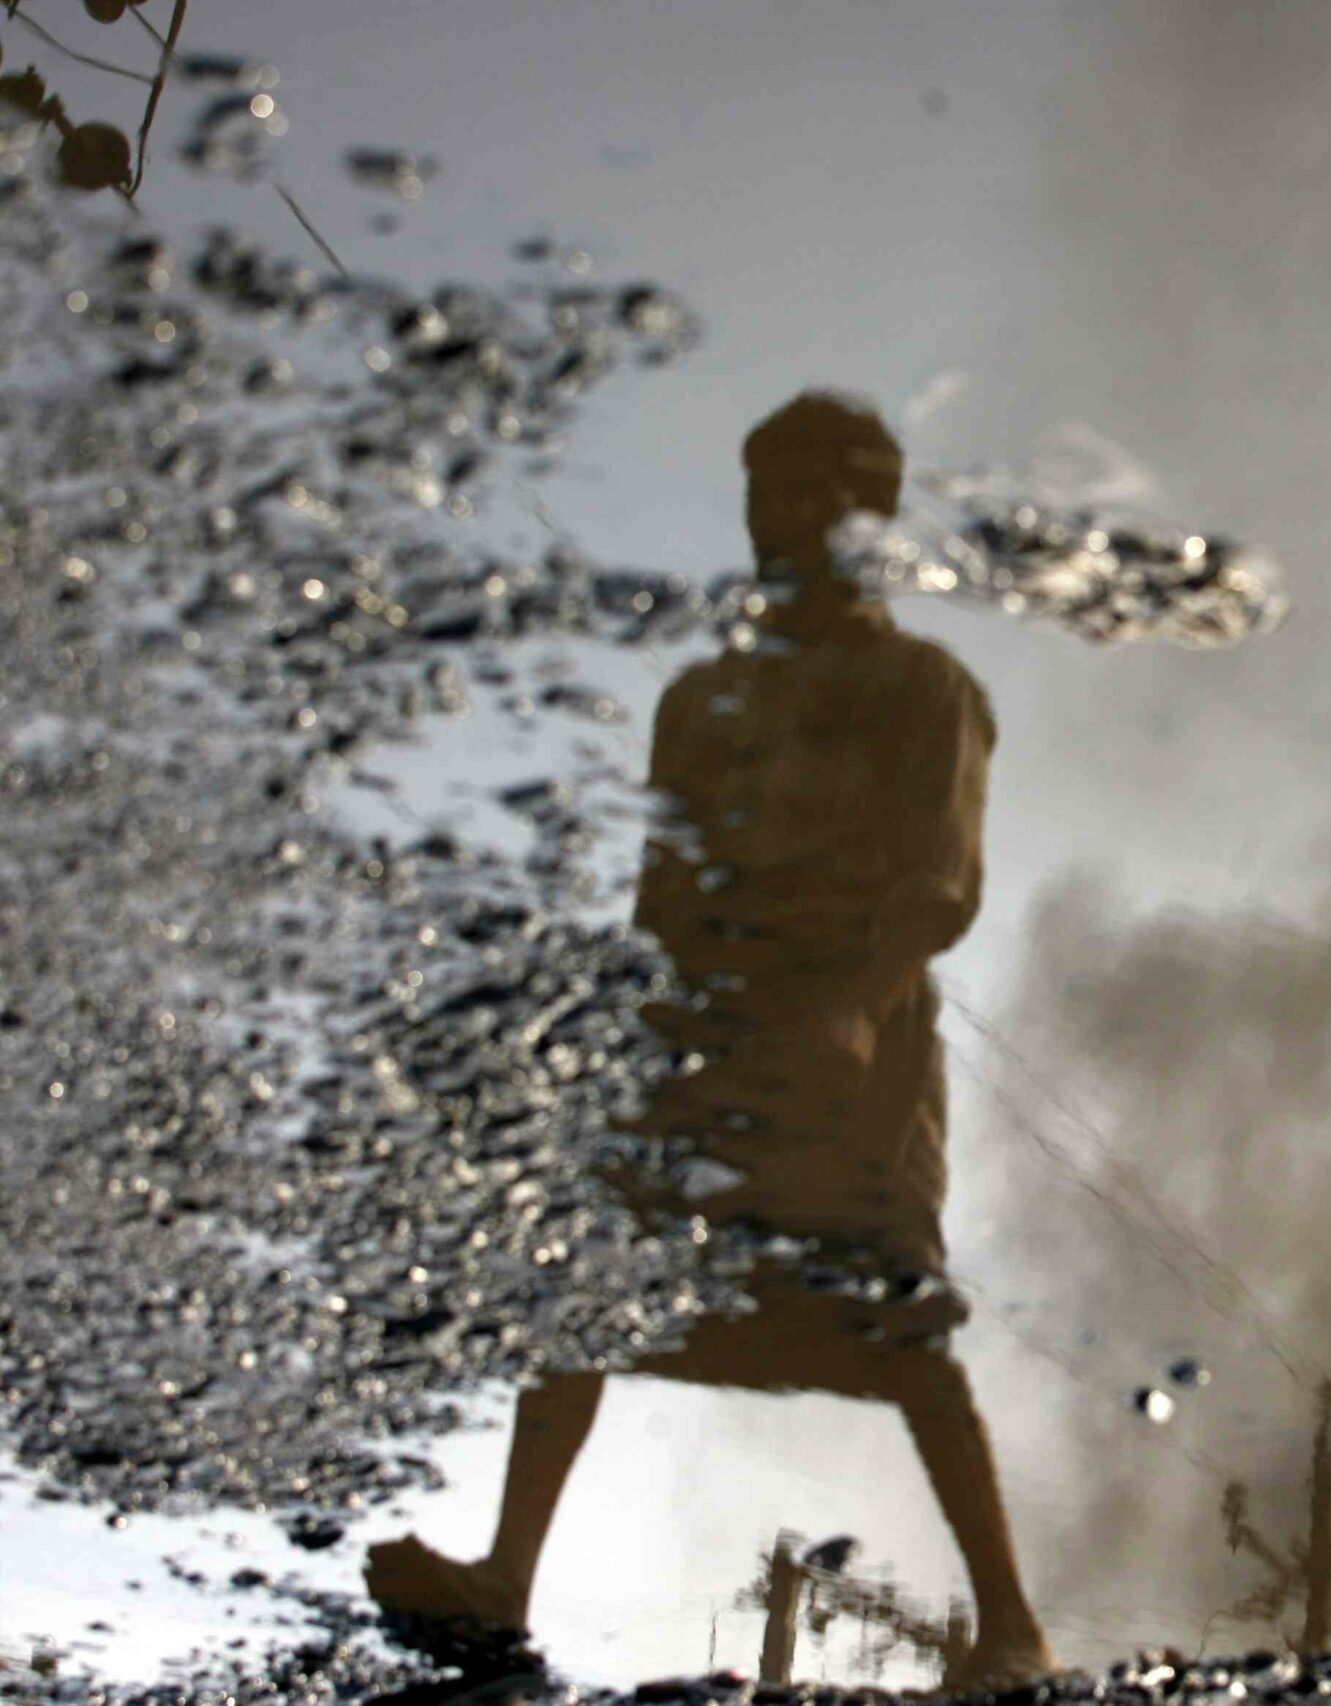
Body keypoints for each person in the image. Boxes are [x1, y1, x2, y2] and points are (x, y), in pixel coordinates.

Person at [366, 392, 1056, 1693]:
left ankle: (1012, 1623)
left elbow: (937, 882)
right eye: (764, 498)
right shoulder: (704, 698)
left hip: (860, 1034)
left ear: (871, 519)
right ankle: (507, 1575)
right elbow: (662, 896)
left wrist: (850, 1005)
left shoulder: (928, 688)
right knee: (596, 1277)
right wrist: (626, 1037)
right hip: (703, 1035)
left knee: (893, 1308)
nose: (780, 524)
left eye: (811, 497)